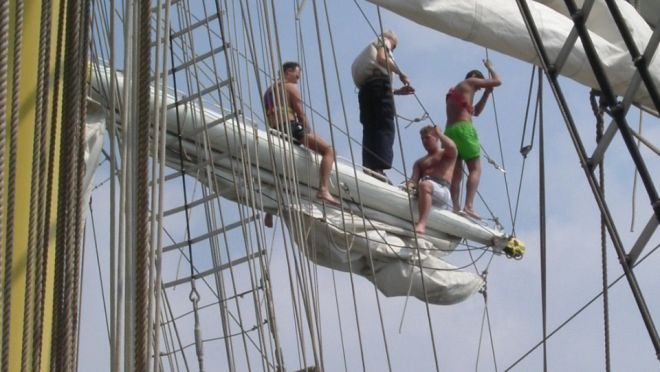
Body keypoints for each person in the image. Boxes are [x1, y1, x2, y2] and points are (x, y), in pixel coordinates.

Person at [263, 62, 338, 227]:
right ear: (288, 71)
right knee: (328, 151)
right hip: (291, 128)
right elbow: (300, 112)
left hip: (275, 131)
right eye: (297, 75)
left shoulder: (268, 92)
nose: (298, 79)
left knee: (280, 171)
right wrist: (307, 129)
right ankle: (324, 189)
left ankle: (268, 212)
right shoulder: (289, 87)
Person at [351, 30, 415, 178]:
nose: (392, 50)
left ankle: (369, 167)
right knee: (385, 126)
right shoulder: (383, 41)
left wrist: (398, 92)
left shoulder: (366, 55)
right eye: (394, 47)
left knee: (371, 128)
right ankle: (378, 168)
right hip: (377, 87)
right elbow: (382, 58)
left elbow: (376, 84)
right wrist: (400, 73)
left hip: (367, 90)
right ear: (392, 41)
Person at [445, 59, 501, 219]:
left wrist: (486, 94)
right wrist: (491, 68)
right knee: (475, 169)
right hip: (464, 130)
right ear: (476, 79)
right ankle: (468, 206)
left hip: (450, 131)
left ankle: (455, 207)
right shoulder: (471, 81)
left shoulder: (457, 91)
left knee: (456, 175)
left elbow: (475, 112)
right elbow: (498, 81)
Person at [405, 125, 457, 235]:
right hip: (425, 190)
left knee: (425, 185)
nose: (424, 141)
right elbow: (413, 180)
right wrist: (409, 186)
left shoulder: (446, 153)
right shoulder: (419, 162)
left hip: (442, 191)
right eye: (422, 139)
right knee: (419, 187)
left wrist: (440, 134)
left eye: (427, 137)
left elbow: (452, 147)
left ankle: (422, 224)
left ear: (436, 138)